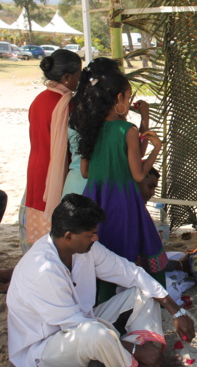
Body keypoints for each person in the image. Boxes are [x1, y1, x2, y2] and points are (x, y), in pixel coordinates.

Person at [7, 194, 195, 367]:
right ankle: (138, 363)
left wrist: (176, 310)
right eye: (90, 235)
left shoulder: (87, 249)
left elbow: (130, 273)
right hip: (44, 348)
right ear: (68, 236)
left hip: (83, 323)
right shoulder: (44, 270)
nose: (95, 238)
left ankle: (148, 355)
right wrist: (134, 349)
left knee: (143, 293)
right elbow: (76, 326)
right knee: (97, 335)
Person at [72, 66, 168, 303]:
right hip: (122, 201)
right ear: (118, 99)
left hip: (94, 198)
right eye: (127, 96)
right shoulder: (127, 129)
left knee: (102, 247)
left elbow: (85, 172)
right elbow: (137, 174)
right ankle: (144, 302)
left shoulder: (90, 129)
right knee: (131, 247)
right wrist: (156, 148)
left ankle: (100, 302)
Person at [63, 58, 152, 198]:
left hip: (75, 184)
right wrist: (145, 120)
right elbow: (137, 157)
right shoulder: (118, 126)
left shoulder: (79, 111)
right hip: (101, 190)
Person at [23, 49, 82, 251]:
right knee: (55, 235)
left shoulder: (39, 100)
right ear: (67, 77)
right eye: (78, 75)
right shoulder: (67, 104)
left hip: (35, 170)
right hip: (54, 173)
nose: (79, 80)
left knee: (39, 236)